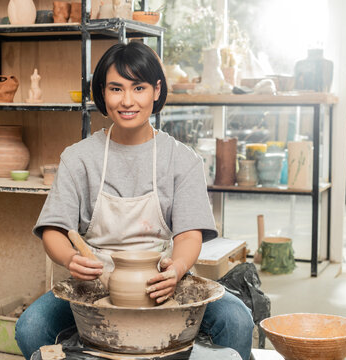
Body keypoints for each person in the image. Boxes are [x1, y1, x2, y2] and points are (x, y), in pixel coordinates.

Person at [15, 41, 254, 360]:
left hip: (164, 283)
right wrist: (71, 260)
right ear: (102, 92)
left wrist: (177, 269)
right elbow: (54, 231)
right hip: (95, 286)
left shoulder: (181, 160)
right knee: (31, 328)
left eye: (138, 87)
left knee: (237, 321)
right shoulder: (79, 158)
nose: (127, 101)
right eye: (116, 88)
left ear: (156, 90)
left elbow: (189, 234)